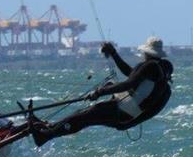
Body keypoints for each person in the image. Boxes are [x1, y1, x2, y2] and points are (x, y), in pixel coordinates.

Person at [30, 37, 173, 147]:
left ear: (146, 52)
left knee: (83, 117)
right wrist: (114, 54)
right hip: (128, 115)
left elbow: (129, 83)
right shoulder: (159, 71)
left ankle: (45, 136)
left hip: (123, 110)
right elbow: (131, 75)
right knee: (83, 117)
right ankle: (49, 128)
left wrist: (101, 92)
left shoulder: (150, 66)